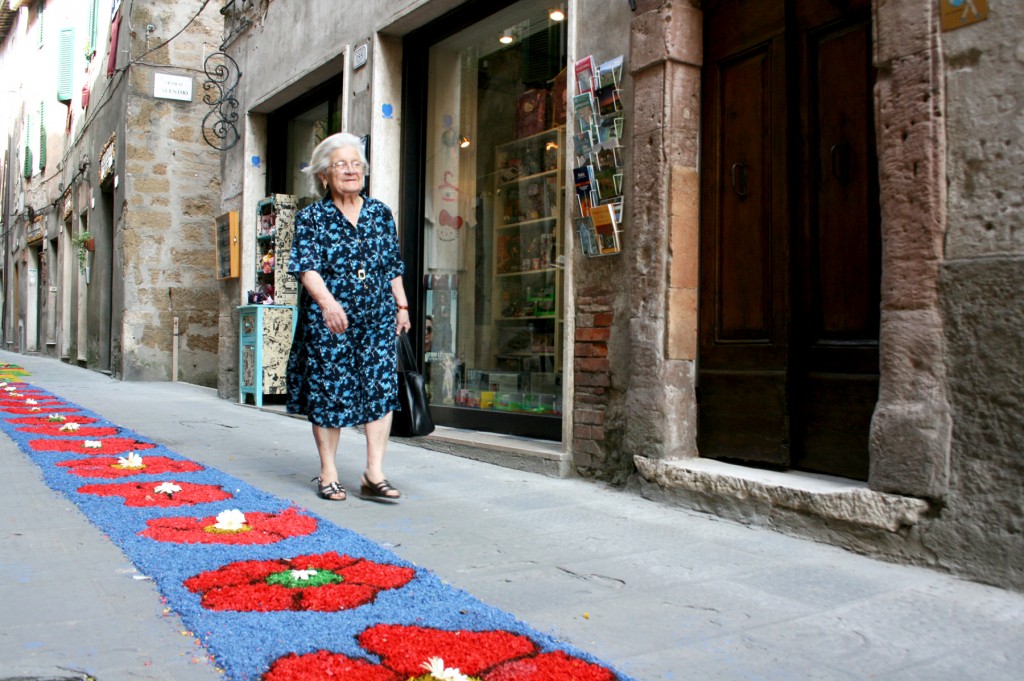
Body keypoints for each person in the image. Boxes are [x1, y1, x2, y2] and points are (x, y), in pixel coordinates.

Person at [285, 132, 411, 502]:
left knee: (380, 389)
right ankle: (328, 472)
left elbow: (391, 265)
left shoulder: (380, 213)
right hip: (330, 321)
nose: (351, 170)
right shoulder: (312, 217)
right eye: (341, 164)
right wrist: (327, 303)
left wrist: (401, 306)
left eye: (357, 164)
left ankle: (374, 473)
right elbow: (306, 267)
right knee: (329, 391)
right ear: (324, 175)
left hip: (376, 317)